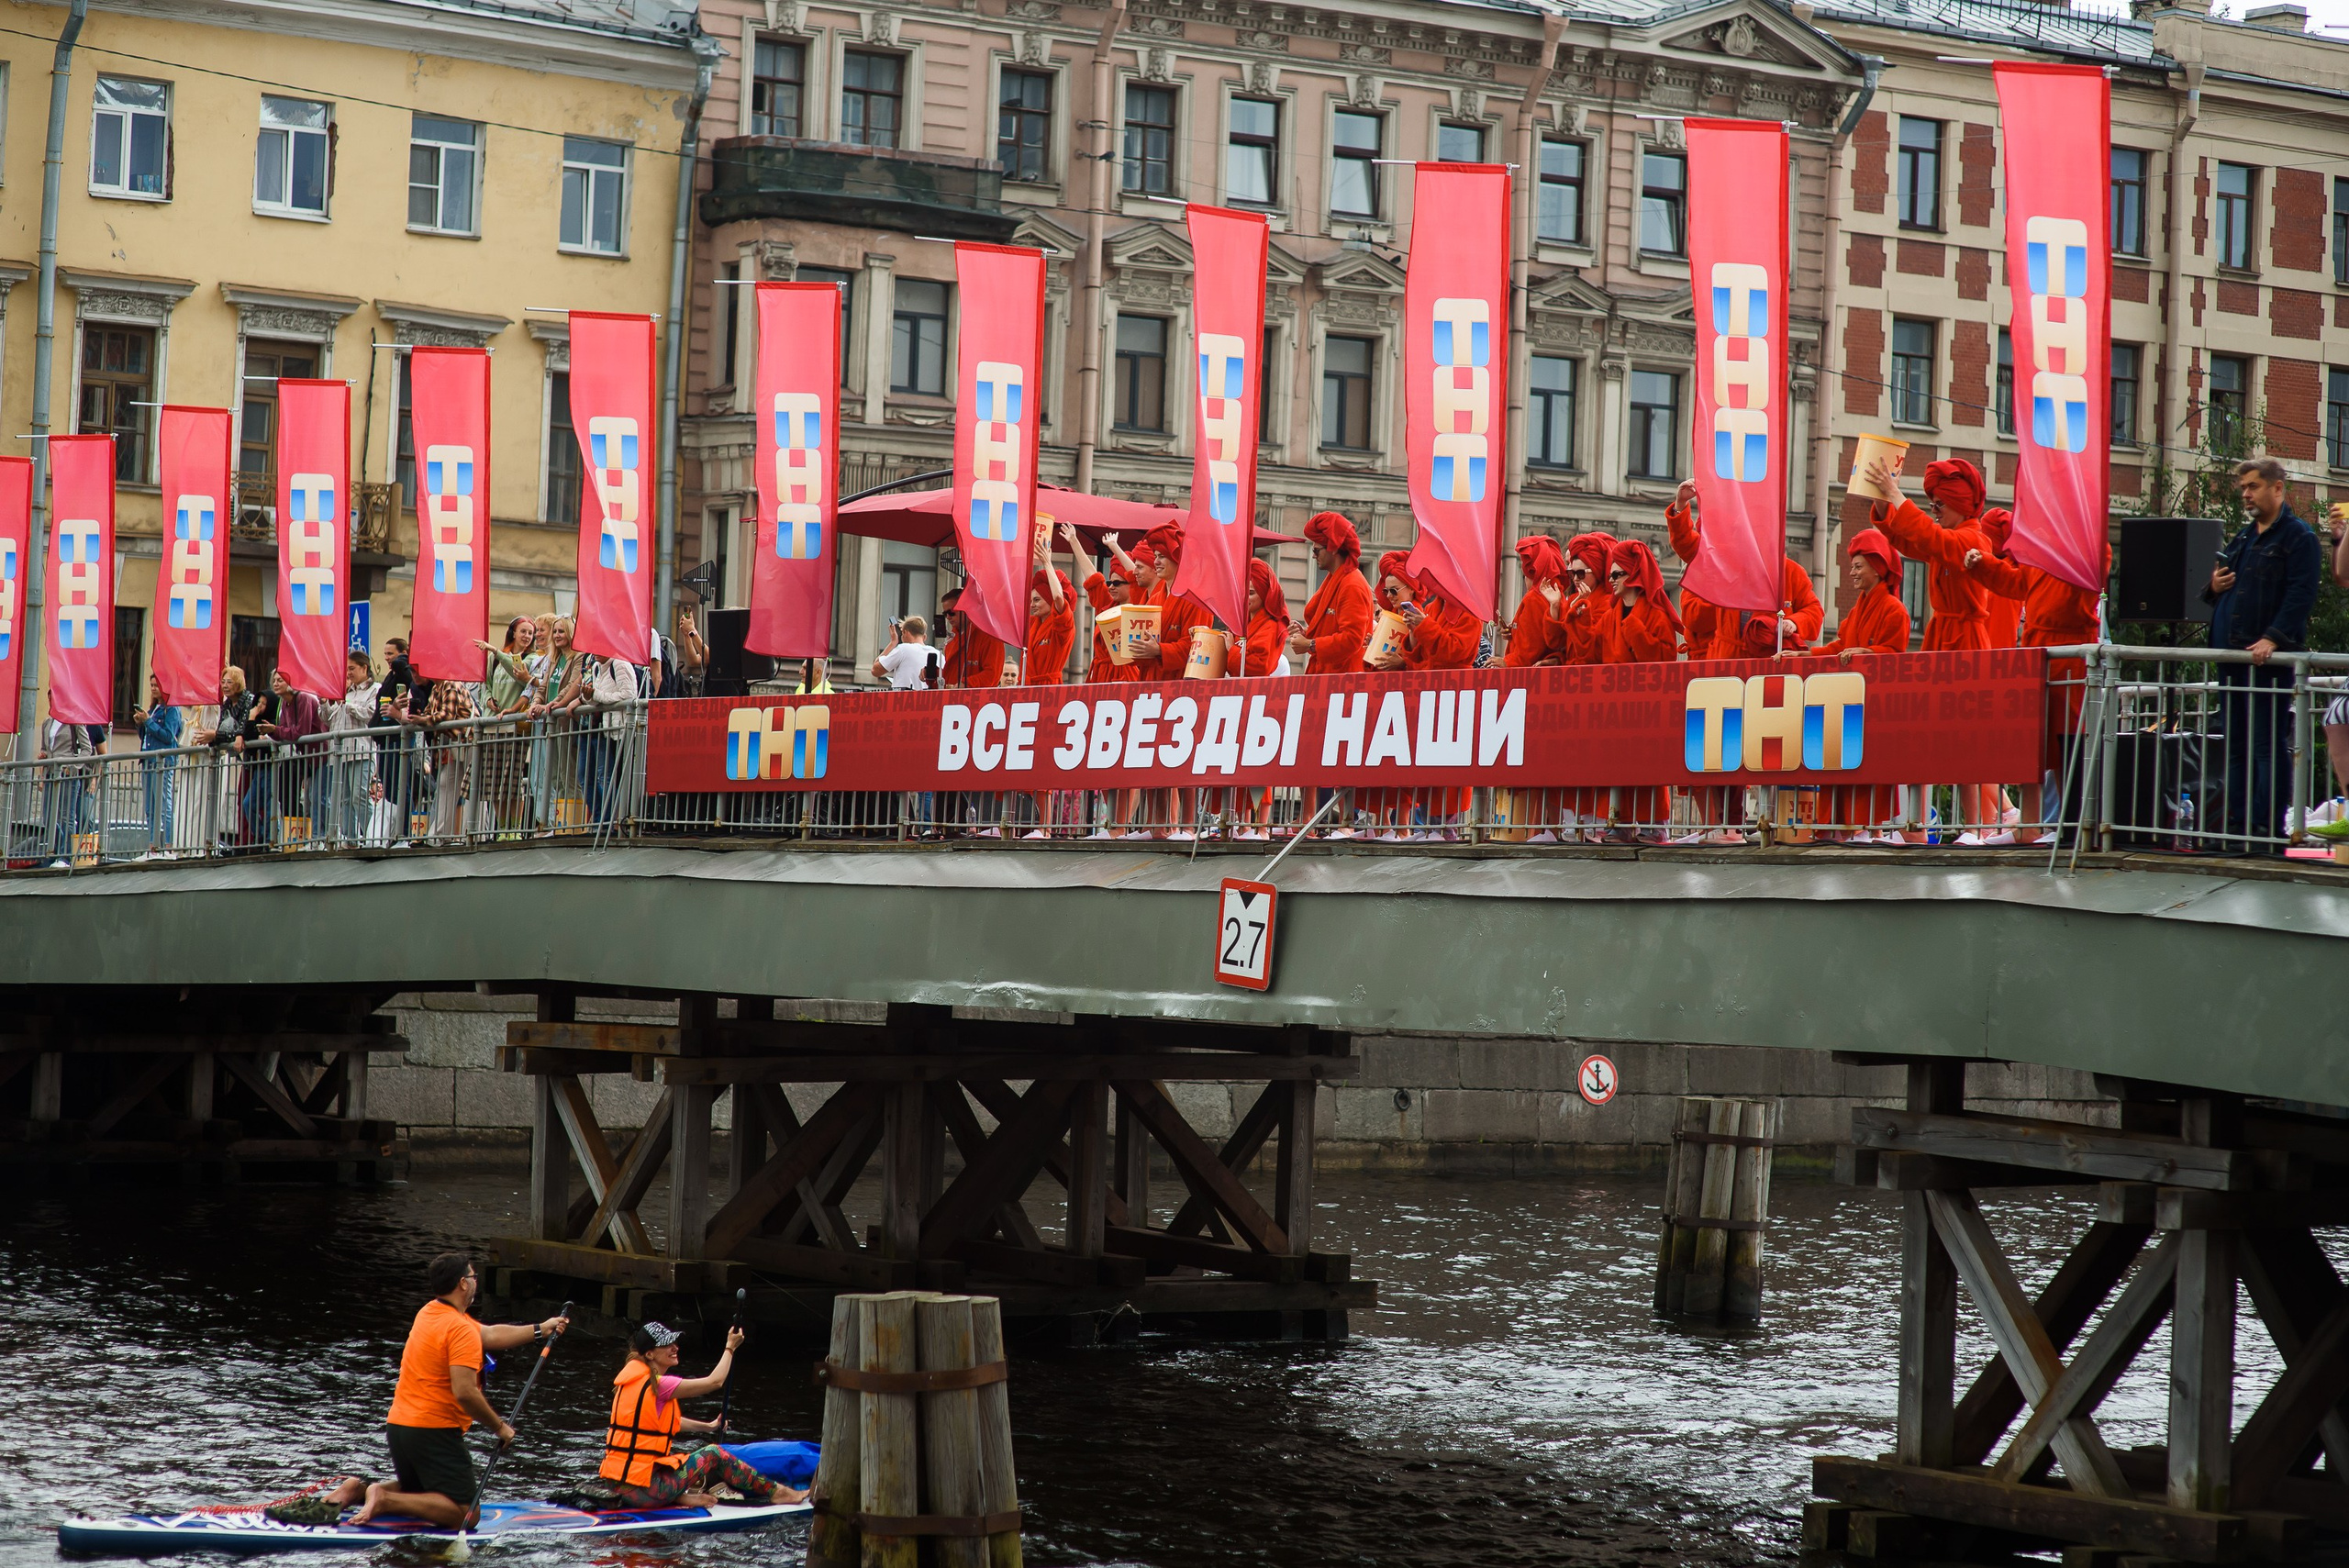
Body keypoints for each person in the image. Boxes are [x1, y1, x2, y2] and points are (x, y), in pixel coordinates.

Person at [337, 1253, 569, 1529]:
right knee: (465, 1514)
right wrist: (500, 1428)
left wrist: (541, 1329)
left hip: (399, 1427)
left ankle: (357, 1491)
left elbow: (489, 1335)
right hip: (433, 1430)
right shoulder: (460, 1329)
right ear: (462, 1283)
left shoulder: (431, 1312)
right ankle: (384, 1499)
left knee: (423, 1494)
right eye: (473, 1277)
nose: (475, 1282)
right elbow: (465, 1392)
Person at [1952, 488, 2109, 847]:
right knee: (2034, 747)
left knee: (2070, 744)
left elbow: (2094, 570)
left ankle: (2074, 829)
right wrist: (1983, 565)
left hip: (2068, 655)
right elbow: (2019, 582)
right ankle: (2031, 827)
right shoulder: (2044, 552)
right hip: (2039, 654)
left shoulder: (2087, 547)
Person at [1872, 458, 1998, 839]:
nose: (1934, 511)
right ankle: (1919, 828)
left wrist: (1896, 495)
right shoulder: (1948, 537)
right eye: (1931, 504)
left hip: (1967, 643)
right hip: (1941, 639)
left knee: (1967, 738)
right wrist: (1882, 502)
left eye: (1938, 504)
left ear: (1959, 504)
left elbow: (1931, 539)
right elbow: (1906, 538)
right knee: (1929, 734)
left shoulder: (1974, 539)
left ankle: (1979, 828)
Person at [2203, 456, 2322, 851]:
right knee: (2236, 744)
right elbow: (2224, 588)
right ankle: (2238, 829)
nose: (2246, 495)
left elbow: (2301, 595)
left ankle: (2265, 828)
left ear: (2277, 488)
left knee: (2265, 745)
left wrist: (2273, 637)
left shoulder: (2297, 538)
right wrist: (2213, 588)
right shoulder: (2243, 537)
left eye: (2252, 487)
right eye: (2242, 489)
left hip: (2266, 662)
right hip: (2233, 658)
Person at [596, 1322, 802, 1511]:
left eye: (674, 1342)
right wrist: (730, 1347)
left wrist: (709, 1426)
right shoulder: (658, 1385)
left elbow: (661, 1424)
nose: (675, 1347)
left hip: (617, 1485)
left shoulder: (629, 1384)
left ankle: (677, 1496)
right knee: (714, 1453)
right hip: (646, 1491)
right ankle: (778, 1493)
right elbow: (715, 1382)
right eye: (667, 1344)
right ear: (650, 1354)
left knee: (675, 1461)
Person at [1792, 528, 1911, 842]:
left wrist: (1868, 652)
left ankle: (1865, 828)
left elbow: (1896, 654)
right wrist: (1804, 654)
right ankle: (1847, 828)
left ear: (1877, 567)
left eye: (1858, 566)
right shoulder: (1858, 608)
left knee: (1865, 765)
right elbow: (1840, 645)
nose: (1852, 572)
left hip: (1873, 710)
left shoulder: (1894, 610)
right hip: (1851, 708)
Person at [1601, 539, 1684, 842]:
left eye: (1616, 574)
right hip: (1617, 705)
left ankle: (1654, 825)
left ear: (1634, 575)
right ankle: (1619, 822)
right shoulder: (1610, 615)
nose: (1610, 581)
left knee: (1649, 765)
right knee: (1619, 764)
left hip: (1649, 707)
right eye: (1610, 575)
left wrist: (1635, 629)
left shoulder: (1655, 615)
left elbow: (1664, 658)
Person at [473, 617, 539, 836]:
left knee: (513, 782)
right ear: (513, 632)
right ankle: (502, 827)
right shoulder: (496, 660)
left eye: (531, 633)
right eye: (523, 632)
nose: (527, 636)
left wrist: (494, 650)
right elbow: (486, 684)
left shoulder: (530, 659)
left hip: (514, 727)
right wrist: (488, 698)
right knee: (494, 783)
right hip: (494, 724)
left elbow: (518, 673)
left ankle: (515, 827)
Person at [1290, 511, 1375, 675]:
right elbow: (1332, 631)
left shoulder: (1351, 585)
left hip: (1342, 683)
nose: (1314, 556)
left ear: (1333, 548)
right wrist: (1307, 635)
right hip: (1330, 678)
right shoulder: (1337, 579)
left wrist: (1310, 644)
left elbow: (1351, 639)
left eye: (1316, 551)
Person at [194, 666, 257, 851]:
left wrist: (215, 735)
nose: (225, 686)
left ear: (238, 683)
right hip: (244, 759)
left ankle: (250, 843)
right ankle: (242, 843)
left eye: (230, 682)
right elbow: (224, 731)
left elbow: (242, 729)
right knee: (241, 800)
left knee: (251, 802)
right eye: (223, 682)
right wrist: (215, 737)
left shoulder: (248, 701)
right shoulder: (227, 704)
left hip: (256, 756)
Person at [324, 651, 381, 844]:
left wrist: (347, 704)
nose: (348, 673)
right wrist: (325, 702)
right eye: (346, 669)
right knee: (344, 800)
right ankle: (351, 839)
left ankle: (373, 835)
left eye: (352, 668)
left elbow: (371, 714)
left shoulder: (375, 689)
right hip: (340, 754)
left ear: (364, 668)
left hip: (361, 751)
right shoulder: (345, 691)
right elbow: (327, 718)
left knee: (360, 796)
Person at [37, 700, 97, 868]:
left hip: (67, 775)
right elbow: (45, 748)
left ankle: (65, 856)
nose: (52, 700)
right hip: (51, 774)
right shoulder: (47, 722)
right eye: (50, 697)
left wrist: (74, 765)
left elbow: (87, 749)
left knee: (66, 816)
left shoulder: (74, 720)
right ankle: (52, 852)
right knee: (48, 816)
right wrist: (43, 757)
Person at [130, 673, 182, 859]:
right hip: (148, 759)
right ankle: (152, 846)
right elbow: (147, 736)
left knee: (164, 804)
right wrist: (141, 724)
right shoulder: (154, 708)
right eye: (151, 685)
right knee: (150, 807)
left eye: (156, 685)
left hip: (163, 762)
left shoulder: (172, 709)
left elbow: (168, 736)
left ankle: (168, 846)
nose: (153, 688)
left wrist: (148, 722)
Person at [1503, 535, 1573, 667]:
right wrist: (1514, 631)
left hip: (1527, 675)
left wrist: (1506, 662)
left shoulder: (1535, 598)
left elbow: (1530, 649)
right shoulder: (1560, 595)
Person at [938, 587, 1006, 689]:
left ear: (966, 608)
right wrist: (933, 673)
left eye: (951, 612)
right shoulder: (952, 639)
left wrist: (966, 684)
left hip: (977, 700)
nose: (948, 617)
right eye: (945, 614)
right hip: (952, 698)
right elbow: (951, 674)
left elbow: (992, 675)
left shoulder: (989, 635)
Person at [873, 616, 940, 690]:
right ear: (924, 637)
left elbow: (875, 670)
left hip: (905, 700)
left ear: (905, 632)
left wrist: (893, 642)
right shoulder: (939, 654)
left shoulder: (903, 649)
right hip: (930, 699)